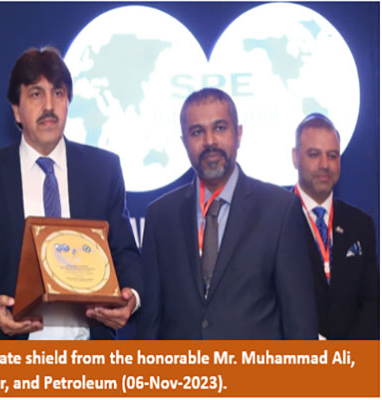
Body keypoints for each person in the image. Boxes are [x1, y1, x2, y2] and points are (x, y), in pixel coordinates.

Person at [0, 46, 142, 340]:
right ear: (16, 110)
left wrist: (131, 297)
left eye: (58, 93)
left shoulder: (103, 170)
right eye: (36, 94)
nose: (49, 106)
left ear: (68, 102)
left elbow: (125, 253)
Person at [137, 87, 317, 339]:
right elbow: (150, 325)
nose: (210, 141)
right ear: (184, 142)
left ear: (238, 134)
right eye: (197, 132)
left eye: (220, 128)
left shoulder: (280, 210)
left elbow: (300, 324)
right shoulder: (161, 216)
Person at [291, 113, 379, 339]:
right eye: (314, 154)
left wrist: (344, 354)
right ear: (295, 157)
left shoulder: (361, 224)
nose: (325, 165)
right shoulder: (273, 220)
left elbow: (372, 303)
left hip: (353, 357)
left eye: (332, 155)